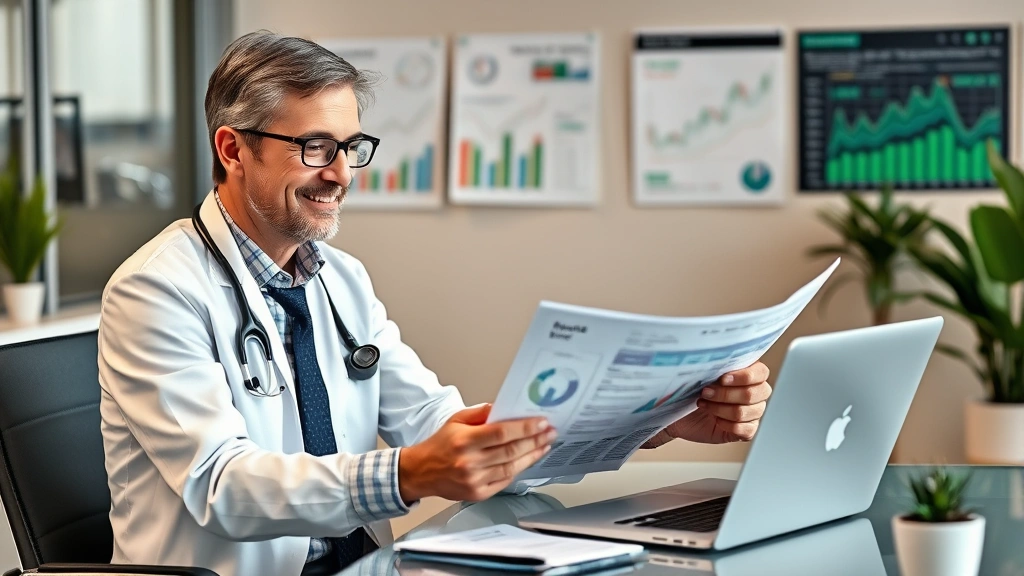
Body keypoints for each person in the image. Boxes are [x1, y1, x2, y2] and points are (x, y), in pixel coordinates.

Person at [97, 31, 772, 576]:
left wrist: (659, 419)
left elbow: (435, 422)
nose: (339, 173)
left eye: (350, 147)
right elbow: (226, 488)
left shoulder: (340, 280)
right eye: (314, 147)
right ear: (232, 150)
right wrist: (412, 471)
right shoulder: (157, 289)